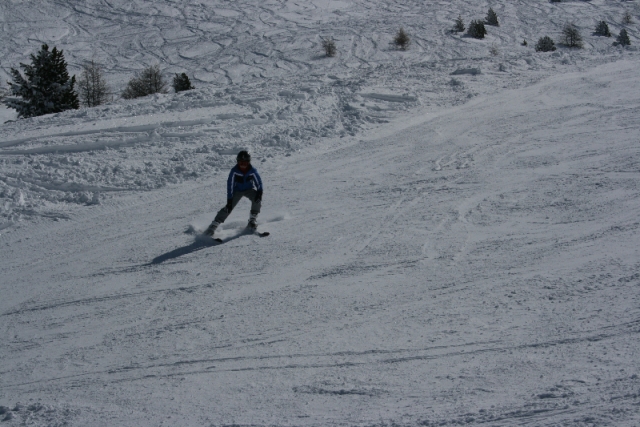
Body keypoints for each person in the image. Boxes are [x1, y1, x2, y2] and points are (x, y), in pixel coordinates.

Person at [205, 150, 263, 236]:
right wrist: (229, 200)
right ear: (237, 162)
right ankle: (213, 226)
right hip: (237, 191)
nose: (243, 165)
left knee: (257, 199)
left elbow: (259, 182)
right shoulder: (234, 171)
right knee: (229, 207)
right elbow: (230, 185)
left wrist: (259, 192)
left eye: (245, 163)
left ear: (249, 162)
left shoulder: (252, 170)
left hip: (249, 190)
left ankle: (252, 221)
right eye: (240, 162)